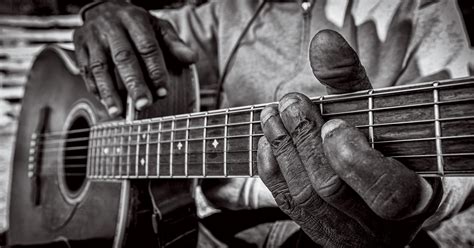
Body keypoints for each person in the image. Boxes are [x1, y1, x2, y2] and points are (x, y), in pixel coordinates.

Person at [73, 0, 474, 246]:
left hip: (345, 232)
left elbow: (458, 148)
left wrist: (427, 199)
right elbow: (137, 37)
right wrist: (104, 10)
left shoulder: (420, 6)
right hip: (209, 227)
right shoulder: (219, 12)